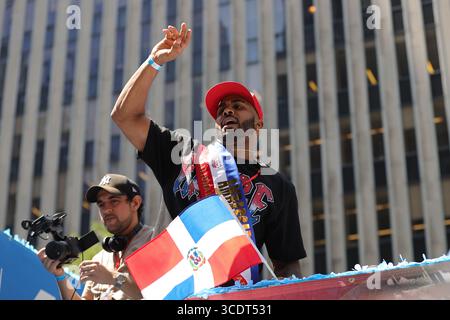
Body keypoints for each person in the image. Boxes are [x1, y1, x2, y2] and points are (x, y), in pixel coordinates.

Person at [111, 23, 306, 280]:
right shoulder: (180, 153)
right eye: (222, 109)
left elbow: (286, 267)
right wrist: (154, 61)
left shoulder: (277, 185)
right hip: (179, 292)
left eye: (238, 106)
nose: (227, 111)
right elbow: (125, 116)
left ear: (258, 125)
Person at [38, 174, 154, 300]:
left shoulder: (156, 241)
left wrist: (113, 278)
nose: (106, 210)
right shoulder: (100, 258)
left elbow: (164, 293)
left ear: (135, 203)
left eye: (114, 201)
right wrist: (60, 275)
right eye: (101, 204)